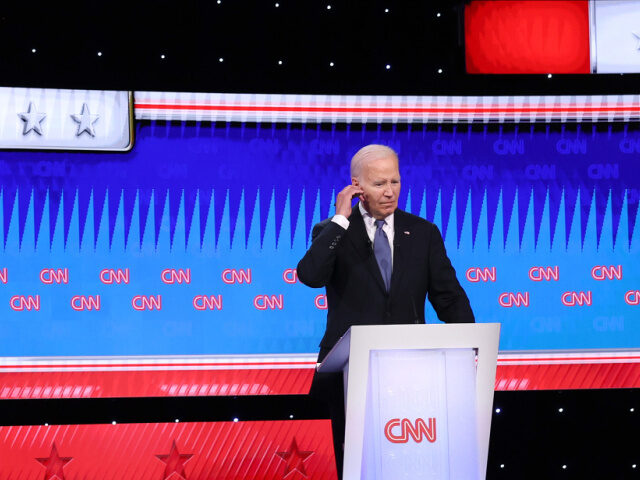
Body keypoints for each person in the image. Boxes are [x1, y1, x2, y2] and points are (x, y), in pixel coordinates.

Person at [296, 144, 475, 478]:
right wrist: (339, 219)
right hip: (347, 373)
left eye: (395, 181)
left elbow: (448, 297)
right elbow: (310, 275)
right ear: (356, 186)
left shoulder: (423, 232)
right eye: (379, 184)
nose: (390, 192)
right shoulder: (332, 232)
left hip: (411, 373)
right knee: (346, 462)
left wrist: (470, 349)